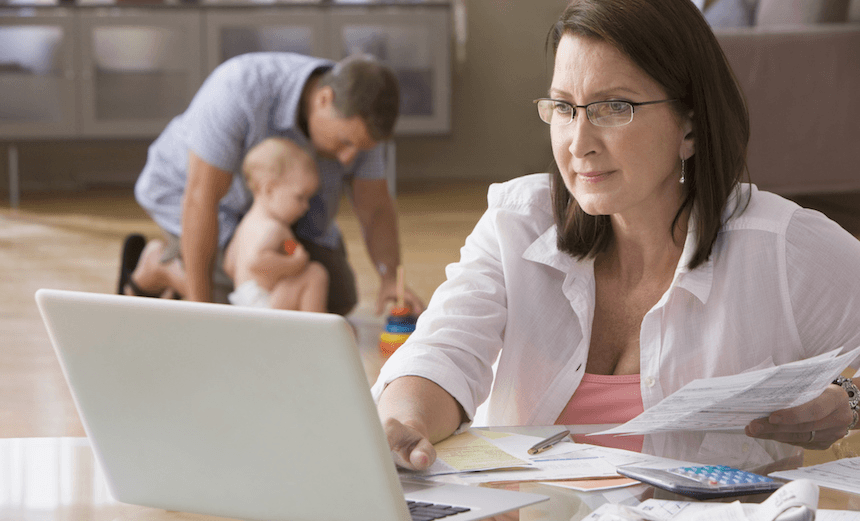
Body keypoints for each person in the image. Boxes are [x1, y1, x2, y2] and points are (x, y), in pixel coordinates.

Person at [372, 0, 860, 472]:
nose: (579, 143)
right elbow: (442, 353)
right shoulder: (517, 221)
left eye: (613, 107)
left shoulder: (781, 246)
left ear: (689, 126)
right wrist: (404, 421)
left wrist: (850, 401)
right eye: (564, 108)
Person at [118, 52, 424, 316]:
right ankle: (161, 265)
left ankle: (190, 279)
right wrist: (204, 313)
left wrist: (389, 278)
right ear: (323, 99)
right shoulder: (240, 89)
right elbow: (201, 199)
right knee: (245, 298)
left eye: (360, 148)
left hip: (278, 218)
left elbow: (376, 210)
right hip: (191, 195)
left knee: (336, 295)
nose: (348, 159)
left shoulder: (360, 126)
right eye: (345, 142)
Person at [222, 137, 327, 312]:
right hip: (263, 303)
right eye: (300, 197)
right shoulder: (274, 228)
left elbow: (229, 265)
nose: (305, 206)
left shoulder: (245, 225)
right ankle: (315, 330)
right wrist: (294, 265)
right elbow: (257, 261)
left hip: (243, 301)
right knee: (315, 274)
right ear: (269, 189)